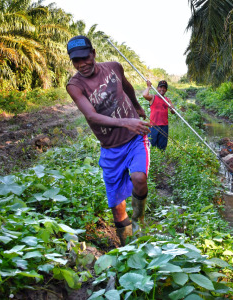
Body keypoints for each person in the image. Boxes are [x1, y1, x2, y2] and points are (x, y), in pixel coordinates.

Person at [65, 35, 151, 246]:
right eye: (76, 61)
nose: (82, 65)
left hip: (134, 139)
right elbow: (92, 116)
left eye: (85, 58)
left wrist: (137, 106)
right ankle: (127, 247)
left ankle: (139, 220)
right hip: (111, 148)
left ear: (93, 54)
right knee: (117, 207)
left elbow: (128, 87)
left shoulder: (114, 67)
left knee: (139, 178)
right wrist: (126, 122)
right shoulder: (74, 85)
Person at [143, 80, 175, 150]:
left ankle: (161, 159)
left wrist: (171, 107)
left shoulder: (167, 99)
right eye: (160, 87)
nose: (162, 89)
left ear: (166, 90)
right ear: (157, 88)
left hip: (164, 126)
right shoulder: (152, 97)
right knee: (151, 145)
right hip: (153, 126)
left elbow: (173, 112)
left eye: (164, 88)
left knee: (162, 147)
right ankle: (151, 159)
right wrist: (148, 87)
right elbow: (145, 95)